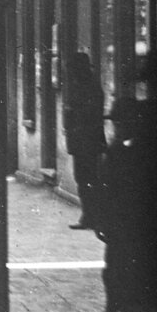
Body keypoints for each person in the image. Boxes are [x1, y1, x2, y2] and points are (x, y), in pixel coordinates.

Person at [81, 101, 157, 312]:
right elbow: (104, 189)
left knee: (142, 275)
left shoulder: (146, 151)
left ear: (132, 123)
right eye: (114, 123)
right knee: (111, 273)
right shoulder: (115, 149)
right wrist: (100, 221)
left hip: (139, 226)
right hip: (117, 225)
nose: (115, 127)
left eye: (119, 123)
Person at [61, 53, 106, 230]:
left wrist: (73, 112)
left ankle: (93, 217)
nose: (70, 74)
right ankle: (88, 216)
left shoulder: (91, 86)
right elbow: (70, 110)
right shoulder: (77, 85)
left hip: (89, 140)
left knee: (91, 179)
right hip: (79, 141)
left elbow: (90, 112)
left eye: (72, 70)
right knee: (82, 179)